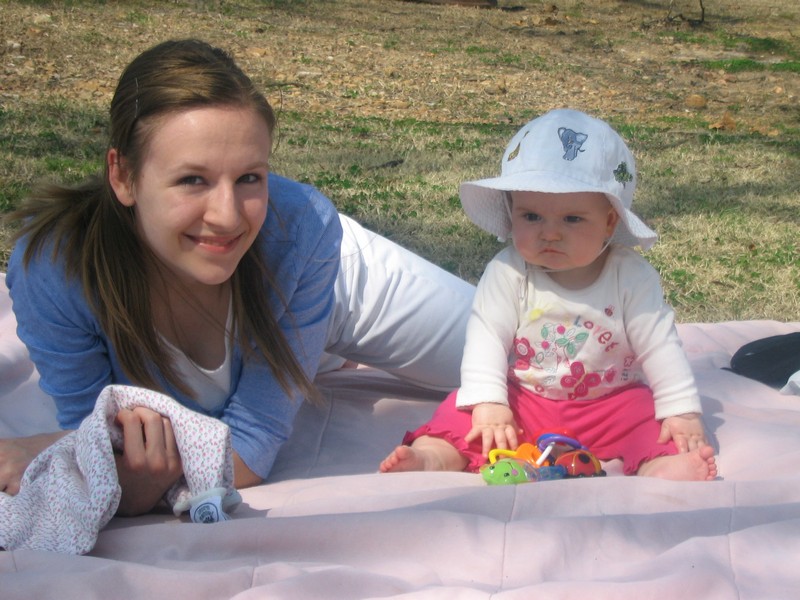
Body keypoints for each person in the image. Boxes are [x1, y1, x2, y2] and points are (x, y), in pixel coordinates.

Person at [0, 39, 474, 516]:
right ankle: (313, 358)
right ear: (122, 176)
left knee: (533, 358)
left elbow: (251, 446)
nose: (228, 217)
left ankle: (317, 351)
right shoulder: (55, 269)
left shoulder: (300, 231)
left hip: (324, 283)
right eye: (193, 180)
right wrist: (95, 457)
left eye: (250, 177)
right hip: (272, 309)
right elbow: (103, 445)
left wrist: (58, 447)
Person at [380, 109, 718, 481]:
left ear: (609, 221)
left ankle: (661, 464)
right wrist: (490, 401)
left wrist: (681, 409)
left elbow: (659, 344)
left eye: (572, 219)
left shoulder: (631, 276)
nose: (550, 233)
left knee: (649, 417)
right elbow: (486, 336)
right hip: (525, 402)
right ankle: (433, 456)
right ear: (512, 213)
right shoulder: (509, 271)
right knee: (464, 413)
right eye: (531, 217)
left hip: (611, 403)